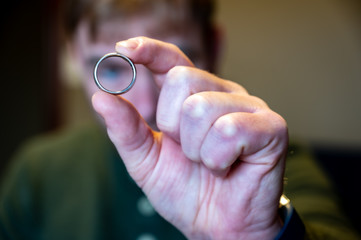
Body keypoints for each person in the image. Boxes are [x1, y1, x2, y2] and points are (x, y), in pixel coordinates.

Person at [0, 0, 359, 239]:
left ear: (215, 49)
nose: (146, 106)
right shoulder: (36, 173)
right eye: (109, 68)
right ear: (70, 56)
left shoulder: (267, 167)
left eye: (175, 59)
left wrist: (261, 234)